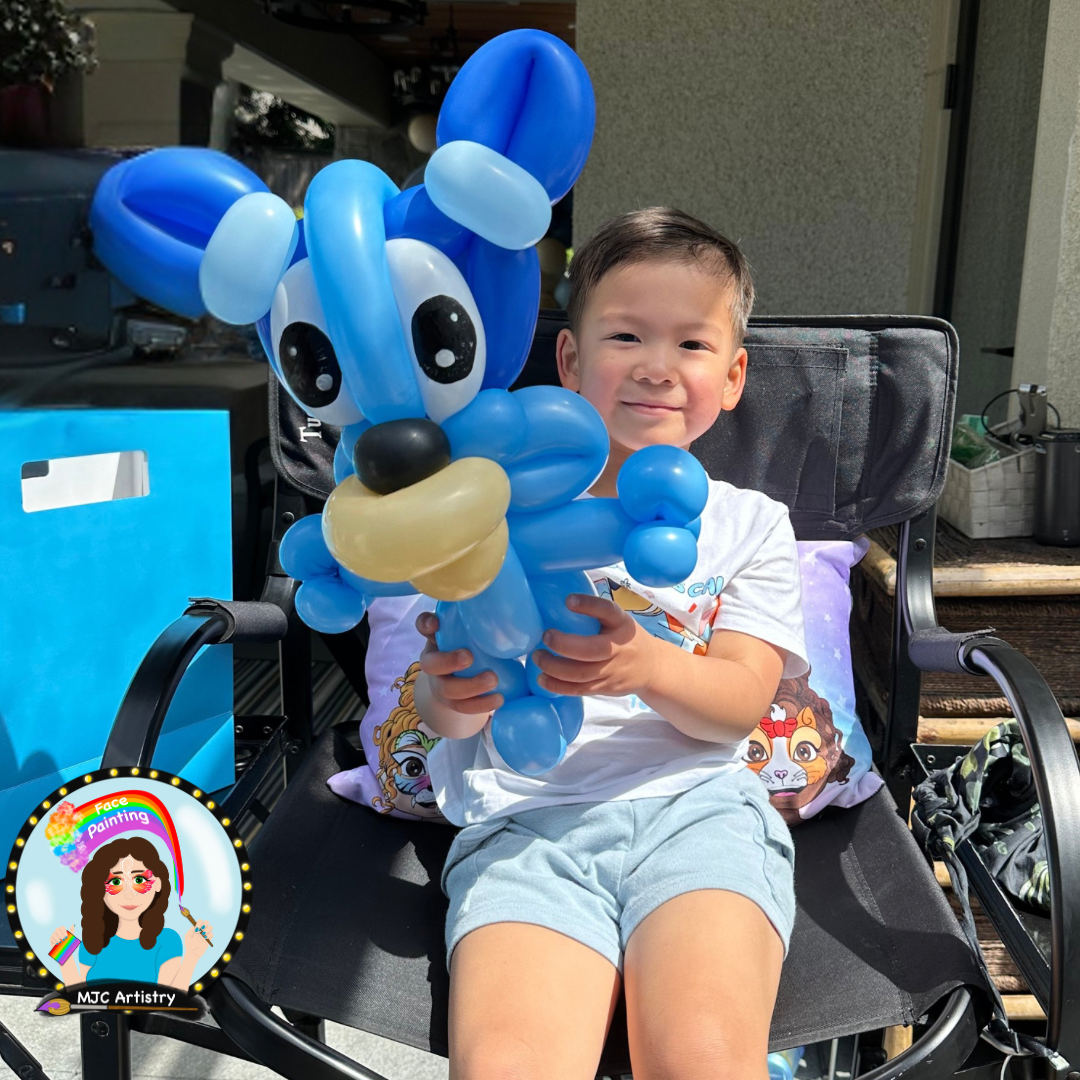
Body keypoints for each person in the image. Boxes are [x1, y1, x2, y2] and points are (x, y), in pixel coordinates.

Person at [412, 206, 810, 1079]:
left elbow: (741, 703)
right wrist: (450, 693)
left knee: (701, 1058)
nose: (658, 368)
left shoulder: (749, 527)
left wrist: (645, 663)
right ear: (569, 360)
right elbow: (439, 709)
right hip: (525, 821)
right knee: (507, 1067)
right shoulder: (488, 517)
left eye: (693, 346)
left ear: (735, 375)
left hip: (699, 814)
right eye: (626, 335)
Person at [49, 835, 212, 989]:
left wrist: (192, 956)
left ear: (157, 884)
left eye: (139, 880)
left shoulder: (168, 941)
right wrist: (65, 957)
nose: (128, 894)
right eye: (115, 881)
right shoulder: (92, 940)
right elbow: (82, 999)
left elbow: (168, 1001)